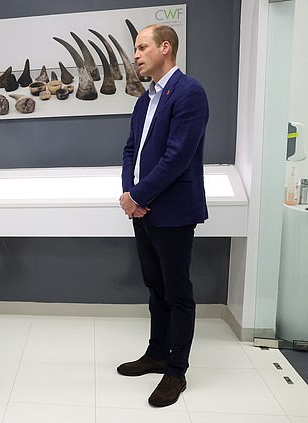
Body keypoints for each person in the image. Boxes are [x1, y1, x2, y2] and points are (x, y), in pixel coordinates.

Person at [118, 24, 209, 407]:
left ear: (165, 48)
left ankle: (176, 370)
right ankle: (156, 353)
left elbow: (177, 157)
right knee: (155, 287)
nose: (136, 54)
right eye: (135, 48)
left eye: (142, 47)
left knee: (177, 292)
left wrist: (138, 195)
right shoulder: (145, 100)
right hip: (143, 211)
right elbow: (129, 151)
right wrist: (129, 195)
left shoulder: (189, 93)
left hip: (172, 211)